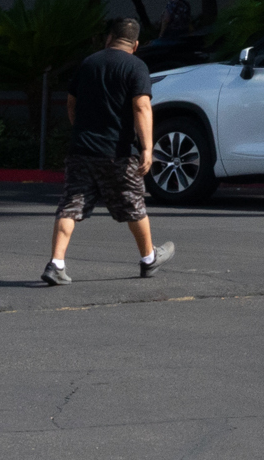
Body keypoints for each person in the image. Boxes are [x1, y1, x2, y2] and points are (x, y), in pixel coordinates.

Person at [40, 18, 173, 285]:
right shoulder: (136, 66)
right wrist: (147, 147)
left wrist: (80, 130)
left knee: (70, 206)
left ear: (109, 38)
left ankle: (56, 263)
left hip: (81, 150)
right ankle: (149, 258)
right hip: (118, 153)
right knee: (134, 205)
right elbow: (141, 108)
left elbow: (71, 102)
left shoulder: (89, 63)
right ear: (135, 44)